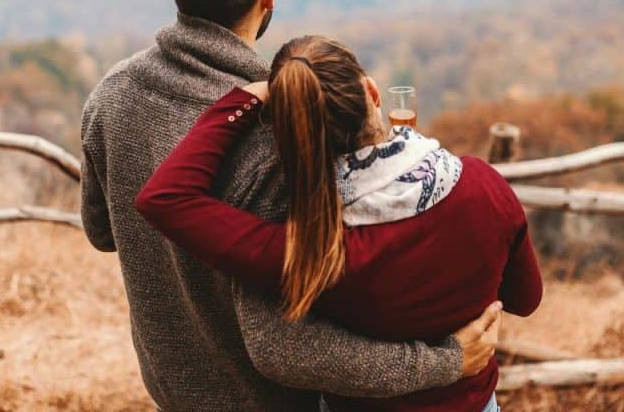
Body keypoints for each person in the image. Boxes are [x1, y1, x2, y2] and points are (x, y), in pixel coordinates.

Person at [81, 0, 504, 412]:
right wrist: (443, 362)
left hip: (173, 393)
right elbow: (282, 346)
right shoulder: (286, 133)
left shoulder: (112, 93)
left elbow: (104, 233)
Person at [135, 35, 543, 412]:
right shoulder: (484, 185)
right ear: (372, 92)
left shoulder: (307, 250)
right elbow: (526, 299)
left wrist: (245, 97)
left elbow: (165, 198)